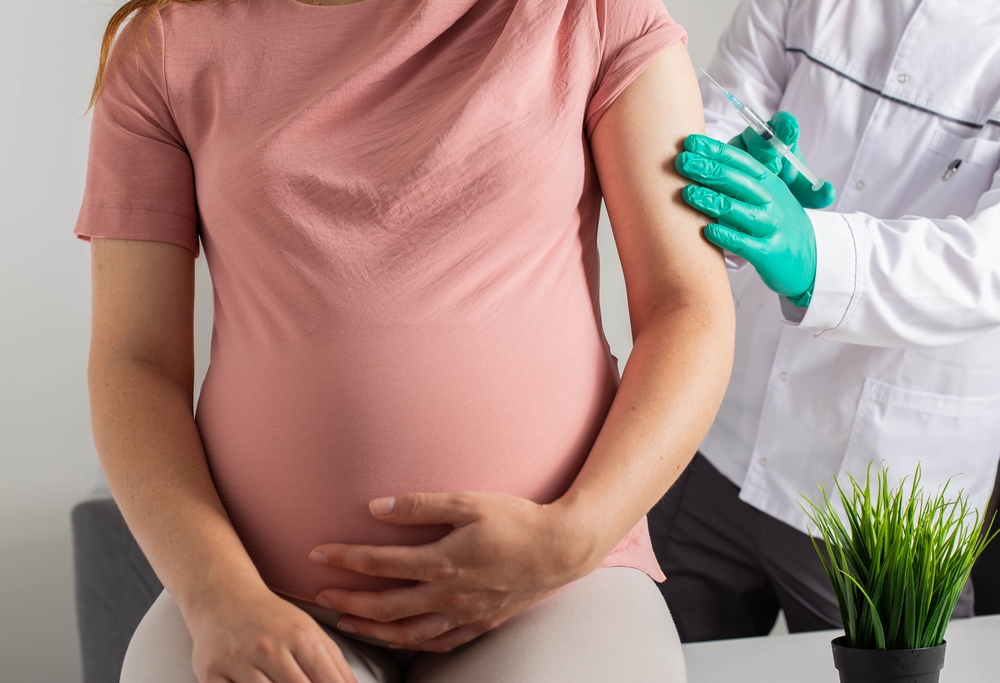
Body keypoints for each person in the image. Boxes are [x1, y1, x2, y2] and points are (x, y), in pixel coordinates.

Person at [76, 0, 735, 681]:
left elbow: (686, 308)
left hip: (556, 585)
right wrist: (217, 595)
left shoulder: (593, 12)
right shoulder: (166, 44)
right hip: (261, 596)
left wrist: (574, 537)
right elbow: (135, 363)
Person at [649, 0, 1000, 642]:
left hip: (887, 495)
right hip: (723, 434)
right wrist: (735, 176)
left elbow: (988, 264)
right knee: (660, 658)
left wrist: (816, 253)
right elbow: (706, 124)